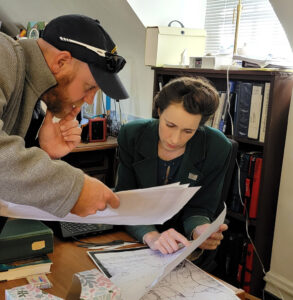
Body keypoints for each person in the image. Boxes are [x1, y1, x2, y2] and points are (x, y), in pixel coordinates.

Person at [0, 14, 129, 217]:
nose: (88, 100)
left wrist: (42, 152)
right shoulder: (3, 53)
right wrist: (73, 189)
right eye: (89, 87)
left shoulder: (33, 97)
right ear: (61, 62)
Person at [115, 76, 231, 269]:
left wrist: (200, 230)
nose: (175, 139)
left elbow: (201, 207)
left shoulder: (216, 147)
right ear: (159, 111)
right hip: (136, 237)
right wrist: (152, 236)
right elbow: (125, 199)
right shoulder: (132, 135)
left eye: (188, 131)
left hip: (183, 249)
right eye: (170, 125)